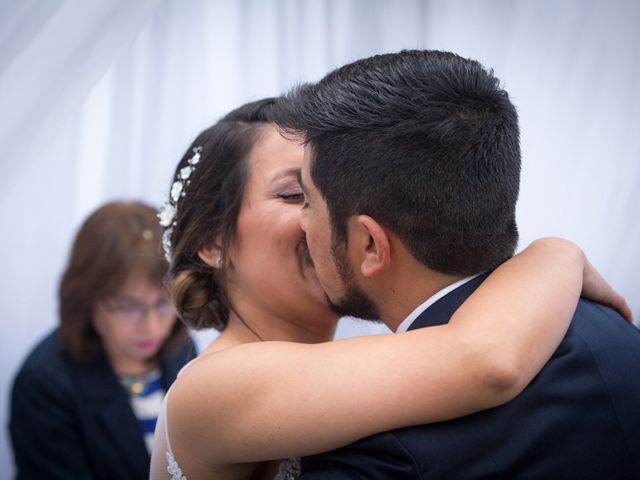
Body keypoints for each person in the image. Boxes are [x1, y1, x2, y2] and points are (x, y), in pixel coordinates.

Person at [149, 97, 629, 480]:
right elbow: (485, 359)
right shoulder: (213, 389)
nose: (325, 219)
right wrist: (556, 252)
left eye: (329, 192)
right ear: (213, 240)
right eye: (296, 195)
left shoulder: (368, 364)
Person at [274, 49, 640, 479]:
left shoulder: (373, 450)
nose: (300, 224)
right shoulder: (615, 330)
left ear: (371, 244)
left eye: (306, 200)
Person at [9, 201, 195, 480]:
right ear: (86, 299)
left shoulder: (182, 350)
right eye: (126, 306)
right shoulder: (44, 384)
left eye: (163, 302)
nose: (153, 326)